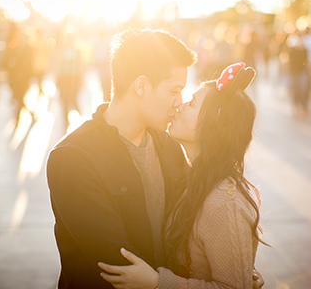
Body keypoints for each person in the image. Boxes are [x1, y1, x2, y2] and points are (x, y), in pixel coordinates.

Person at [45, 29, 263, 289]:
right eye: (175, 90)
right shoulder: (73, 158)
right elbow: (120, 264)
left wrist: (229, 266)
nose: (179, 102)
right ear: (141, 86)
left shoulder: (167, 144)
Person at [98, 63, 265, 289]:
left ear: (210, 127)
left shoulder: (226, 203)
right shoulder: (194, 178)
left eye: (191, 103)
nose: (179, 105)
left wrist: (157, 282)